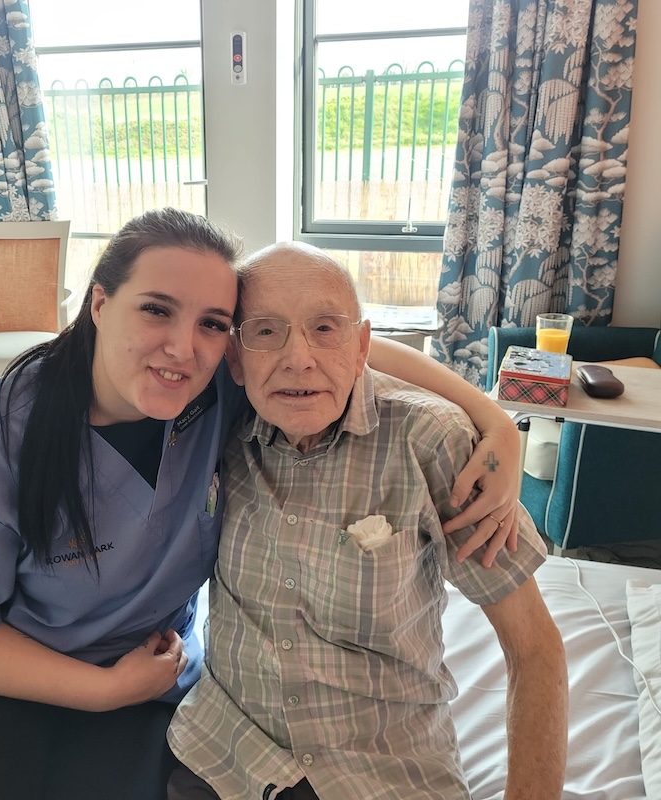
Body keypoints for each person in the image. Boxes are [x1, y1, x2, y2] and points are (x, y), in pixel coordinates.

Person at [0, 208, 523, 800]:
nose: (183, 347)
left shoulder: (213, 392)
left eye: (212, 324)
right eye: (156, 310)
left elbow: (340, 347)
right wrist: (105, 690)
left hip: (144, 675)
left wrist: (494, 420)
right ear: (100, 304)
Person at [166, 242, 568, 800]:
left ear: (360, 347)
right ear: (234, 357)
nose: (299, 358)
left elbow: (534, 648)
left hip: (382, 770)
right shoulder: (215, 425)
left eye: (324, 329)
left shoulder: (432, 442)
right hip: (225, 753)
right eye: (266, 331)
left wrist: (493, 420)